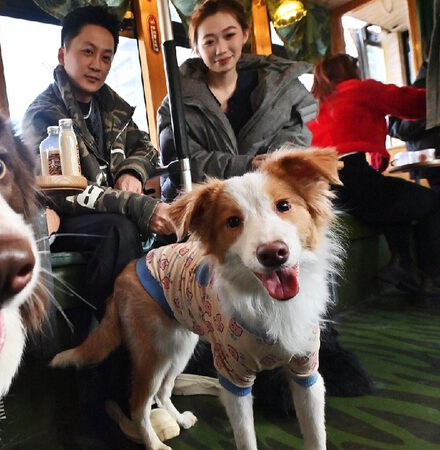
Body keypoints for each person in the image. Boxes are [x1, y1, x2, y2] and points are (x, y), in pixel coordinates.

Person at [22, 6, 176, 317]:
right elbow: (61, 192)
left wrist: (132, 171)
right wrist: (139, 207)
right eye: (88, 52)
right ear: (62, 55)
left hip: (109, 210)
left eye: (106, 57)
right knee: (119, 230)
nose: (97, 65)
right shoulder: (43, 115)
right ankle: (112, 333)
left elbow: (146, 146)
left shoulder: (111, 107)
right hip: (62, 217)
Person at [309, 53, 440, 304]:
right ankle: (433, 280)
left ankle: (402, 265)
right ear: (351, 71)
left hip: (324, 189)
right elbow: (415, 103)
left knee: (394, 201)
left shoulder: (317, 103)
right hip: (352, 177)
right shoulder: (361, 89)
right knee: (433, 202)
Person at [156, 0, 316, 195]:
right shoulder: (175, 105)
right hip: (207, 203)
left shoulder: (279, 91)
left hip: (270, 196)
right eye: (209, 42)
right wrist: (247, 165)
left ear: (244, 34)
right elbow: (182, 165)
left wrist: (272, 164)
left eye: (229, 35)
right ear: (196, 48)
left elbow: (294, 142)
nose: (221, 49)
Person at [388, 63, 440, 191]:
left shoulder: (416, 93)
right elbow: (398, 129)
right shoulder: (421, 92)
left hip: (430, 160)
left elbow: (398, 129)